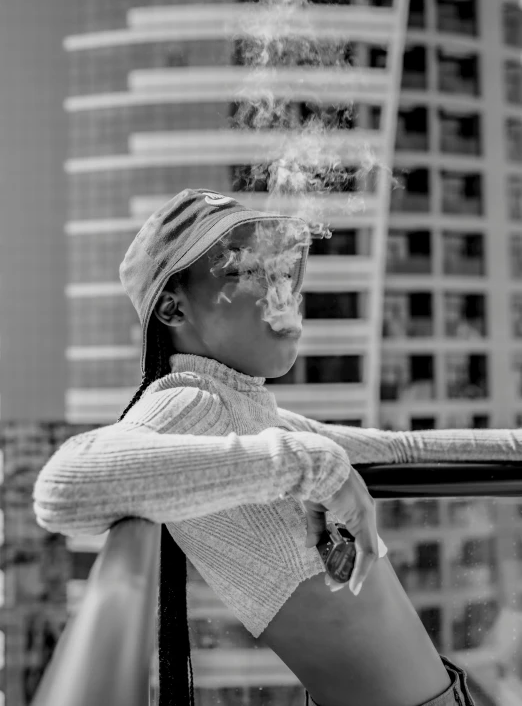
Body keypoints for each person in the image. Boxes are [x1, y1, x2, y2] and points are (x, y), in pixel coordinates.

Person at [34, 187, 507, 706]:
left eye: (283, 271)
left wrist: (311, 458)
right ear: (172, 308)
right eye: (248, 272)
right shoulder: (187, 400)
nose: (281, 291)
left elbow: (403, 448)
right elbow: (62, 487)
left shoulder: (252, 410)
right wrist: (312, 463)